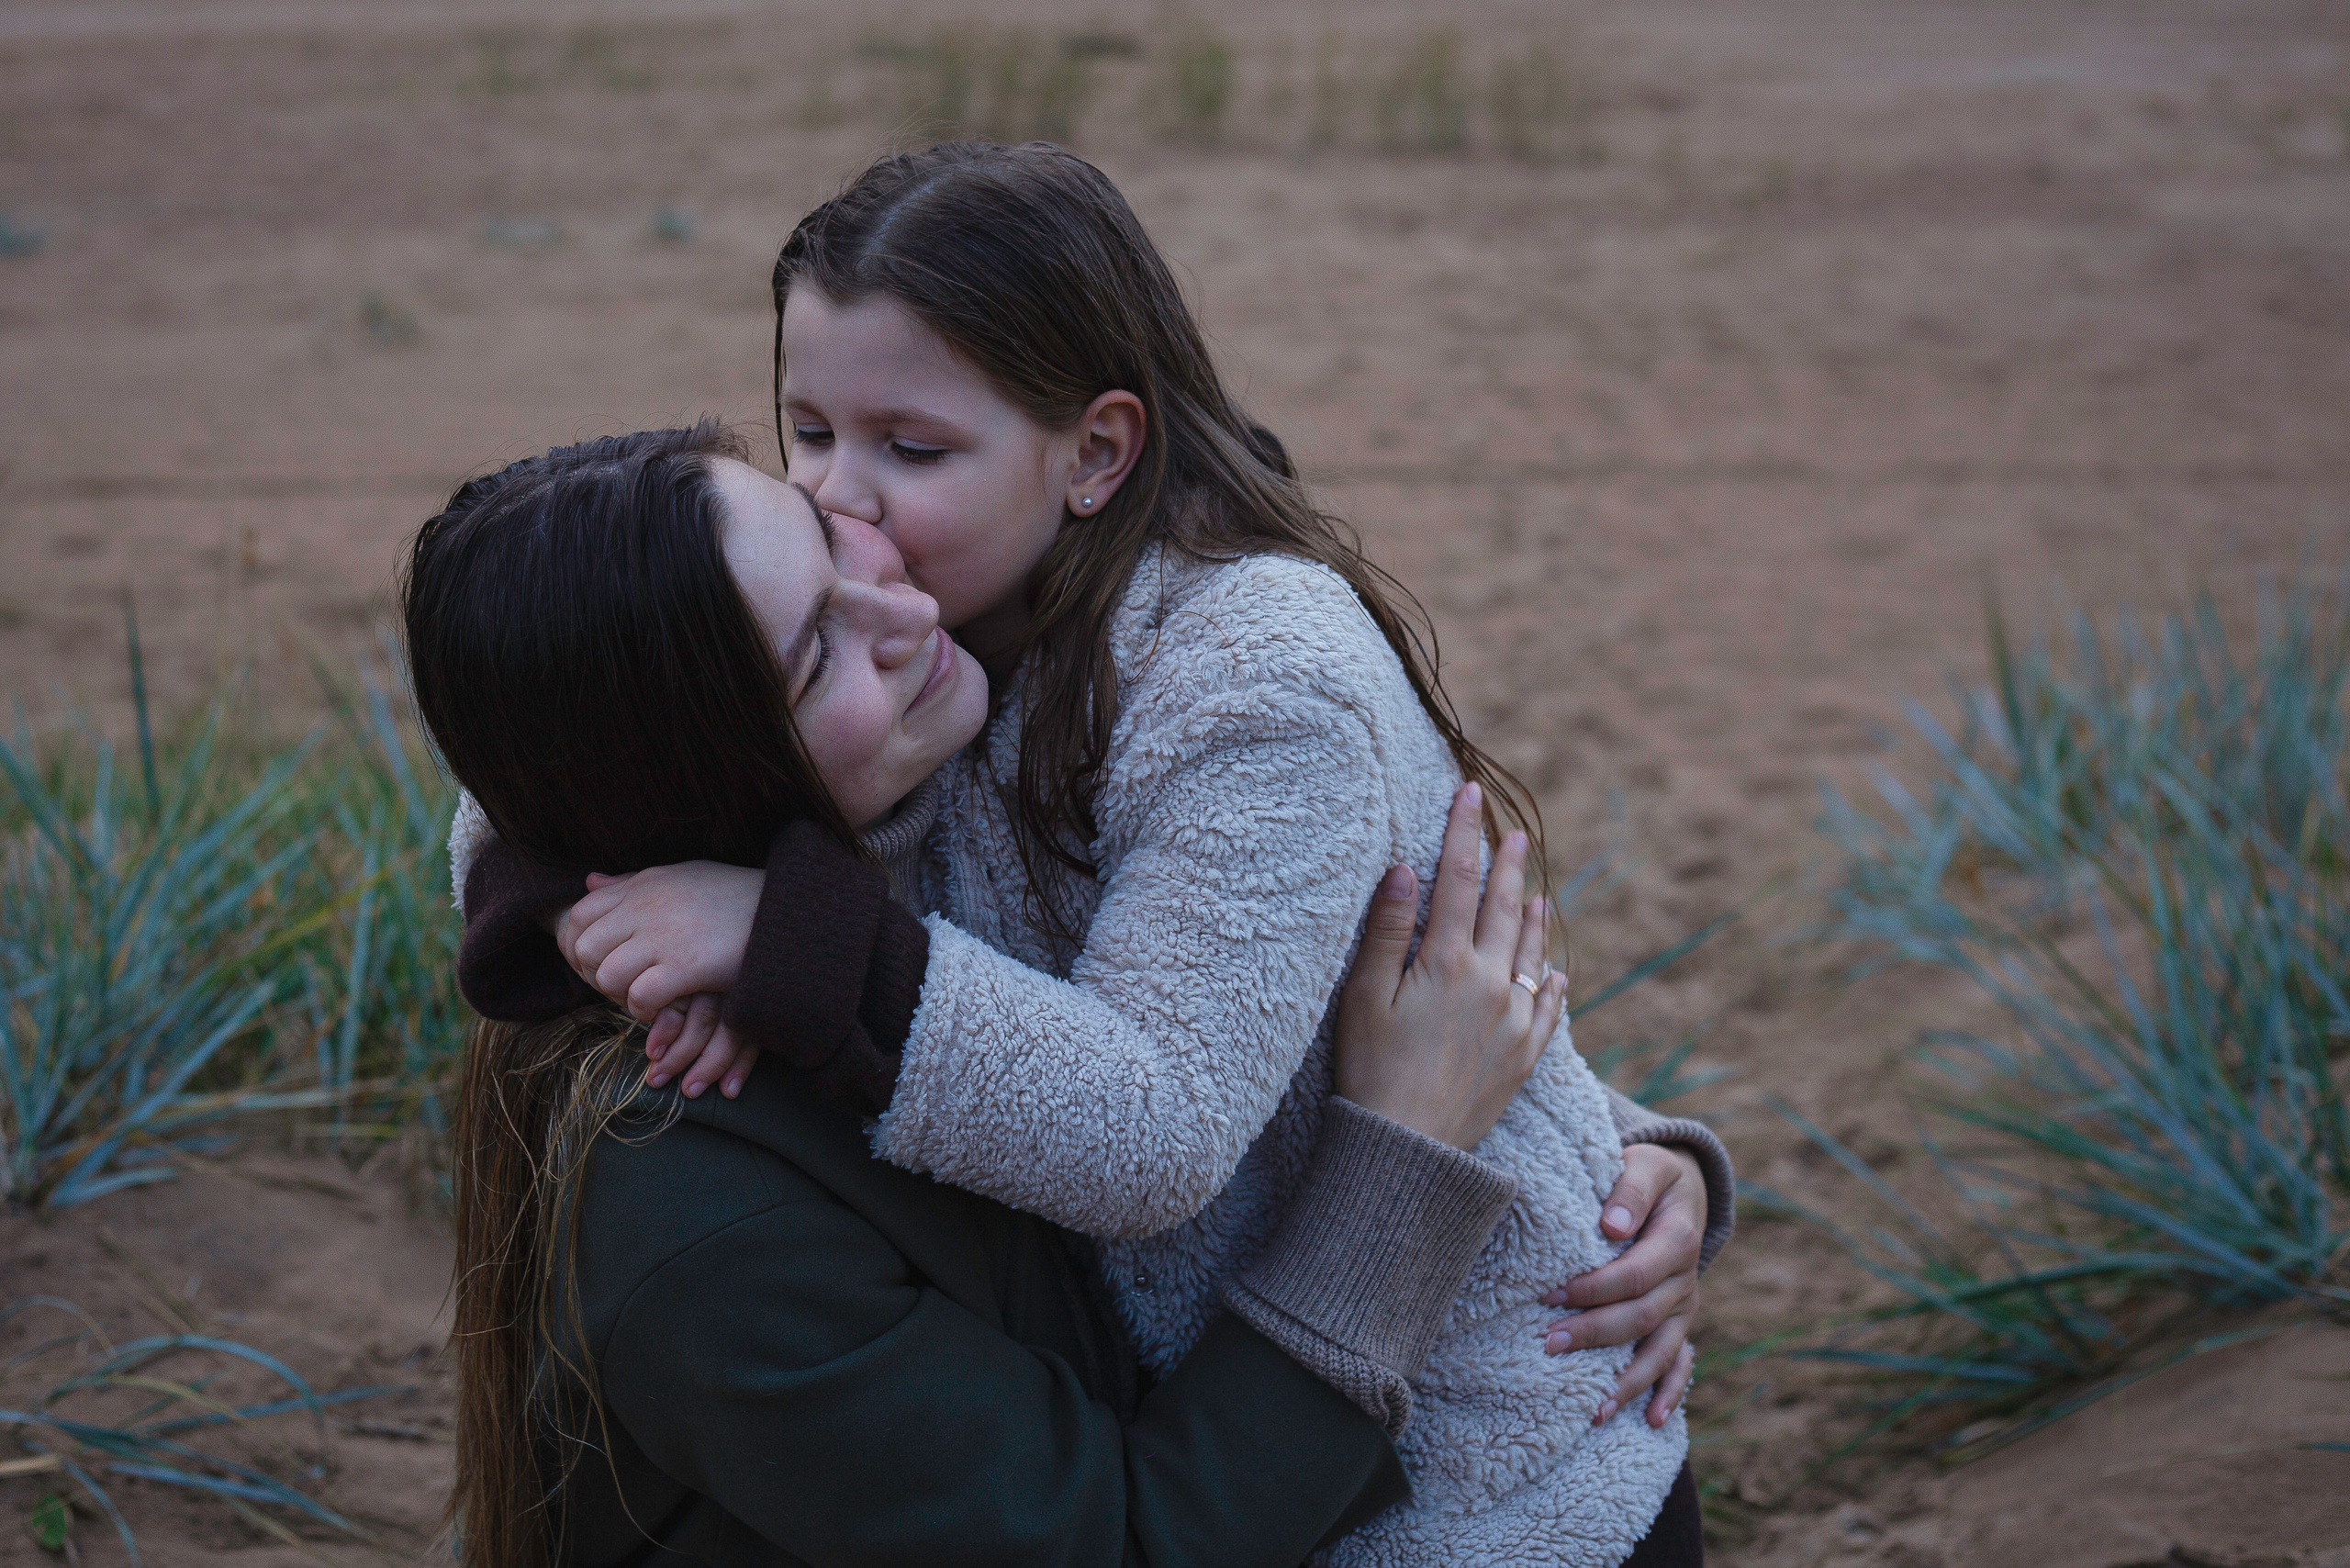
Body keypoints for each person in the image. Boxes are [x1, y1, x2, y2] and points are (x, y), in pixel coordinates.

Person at [453, 143, 1729, 1564]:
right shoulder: (941, 609)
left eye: (912, 450)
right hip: (1252, 1425)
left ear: (1098, 455)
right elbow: (548, 761)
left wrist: (787, 937)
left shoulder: (1251, 683)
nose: (850, 508)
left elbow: (1158, 1128)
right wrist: (574, 908)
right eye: (806, 438)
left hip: (1475, 1472)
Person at [409, 426, 1583, 1565]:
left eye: (827, 530)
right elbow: (1128, 1543)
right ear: (689, 791)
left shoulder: (926, 805)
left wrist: (1625, 1172)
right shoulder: (703, 1216)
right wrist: (1404, 1157)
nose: (907, 610)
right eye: (817, 656)